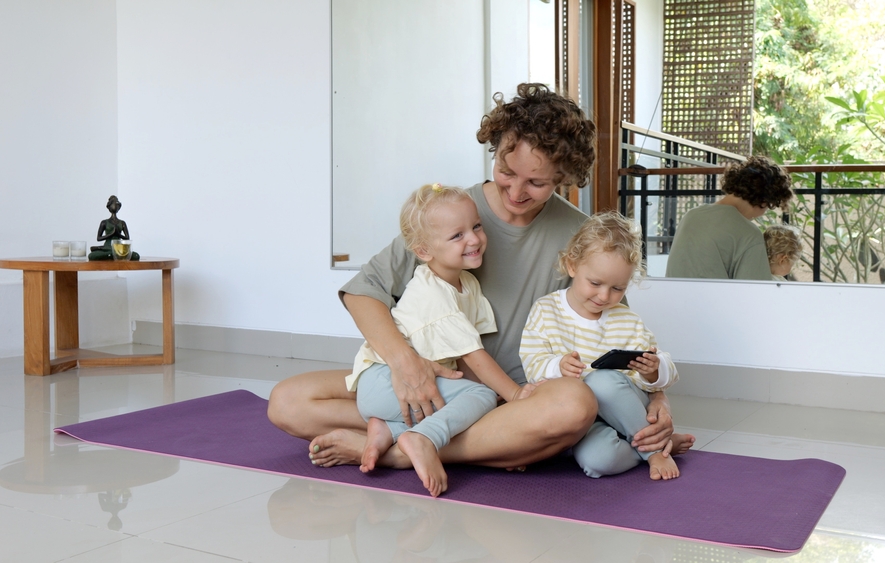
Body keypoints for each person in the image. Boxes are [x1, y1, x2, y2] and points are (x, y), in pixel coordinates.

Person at [267, 83, 677, 472]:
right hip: (441, 385)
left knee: (574, 405)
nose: (516, 191)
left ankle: (399, 453)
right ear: (495, 151)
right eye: (506, 170)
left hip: (524, 397)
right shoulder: (451, 213)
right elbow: (363, 293)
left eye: (536, 183)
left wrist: (656, 397)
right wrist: (405, 363)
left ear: (564, 177)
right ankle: (489, 446)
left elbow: (618, 330)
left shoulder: (581, 235)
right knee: (287, 401)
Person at [351, 183, 540, 497]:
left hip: (392, 385)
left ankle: (388, 429)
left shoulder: (466, 283)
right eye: (458, 235)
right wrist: (516, 396)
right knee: (480, 397)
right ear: (424, 251)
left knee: (483, 398)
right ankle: (422, 439)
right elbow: (474, 356)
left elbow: (468, 357)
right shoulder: (432, 293)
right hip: (384, 381)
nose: (474, 239)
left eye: (476, 226)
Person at [520, 211, 694, 480]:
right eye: (595, 283)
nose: (604, 296)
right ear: (572, 265)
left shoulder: (626, 319)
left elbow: (663, 370)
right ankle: (663, 443)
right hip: (584, 418)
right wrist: (557, 366)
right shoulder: (546, 310)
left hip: (623, 406)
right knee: (598, 462)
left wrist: (653, 370)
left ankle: (656, 451)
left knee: (601, 382)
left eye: (617, 288)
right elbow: (532, 362)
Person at [665, 156, 792, 280]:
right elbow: (754, 293)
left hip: (671, 299)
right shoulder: (748, 234)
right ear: (765, 200)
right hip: (715, 301)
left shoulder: (691, 215)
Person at [88, 195, 140, 261]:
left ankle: (111, 255)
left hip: (119, 248)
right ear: (109, 206)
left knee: (136, 256)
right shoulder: (104, 222)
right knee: (92, 256)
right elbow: (98, 238)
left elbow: (127, 238)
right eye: (114, 203)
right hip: (107, 247)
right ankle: (113, 255)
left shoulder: (122, 222)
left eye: (117, 204)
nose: (115, 206)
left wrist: (118, 234)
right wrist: (111, 234)